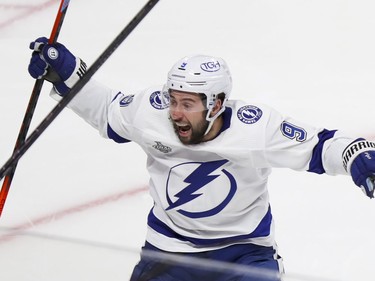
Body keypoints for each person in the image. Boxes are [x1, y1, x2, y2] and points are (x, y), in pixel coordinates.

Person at [27, 37, 375, 281]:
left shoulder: (256, 129)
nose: (176, 113)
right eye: (173, 99)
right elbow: (106, 111)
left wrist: (355, 154)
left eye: (188, 104)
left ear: (217, 104)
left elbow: (321, 145)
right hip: (168, 250)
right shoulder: (152, 111)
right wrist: (68, 75)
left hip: (243, 255)